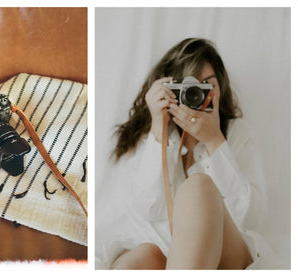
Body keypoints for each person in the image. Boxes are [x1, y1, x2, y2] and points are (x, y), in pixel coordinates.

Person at [96, 38, 277, 269]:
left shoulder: (239, 133)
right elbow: (147, 209)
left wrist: (214, 141)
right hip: (168, 249)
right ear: (170, 91)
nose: (195, 95)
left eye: (205, 86)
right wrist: (158, 129)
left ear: (220, 88)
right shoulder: (156, 133)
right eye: (187, 88)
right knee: (141, 256)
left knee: (198, 186)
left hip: (229, 250)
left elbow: (249, 218)